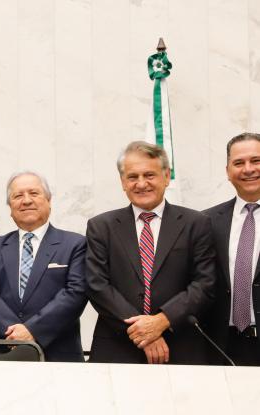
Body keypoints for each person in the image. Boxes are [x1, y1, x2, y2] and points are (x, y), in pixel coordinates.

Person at [86, 141, 216, 364]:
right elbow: (96, 284)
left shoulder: (196, 223)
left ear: (166, 177)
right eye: (132, 177)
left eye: (149, 175)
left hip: (181, 345)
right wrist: (144, 332)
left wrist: (162, 320)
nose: (141, 183)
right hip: (117, 347)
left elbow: (205, 283)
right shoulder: (101, 226)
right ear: (123, 182)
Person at [0, 172, 87, 361]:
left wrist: (32, 330)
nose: (26, 201)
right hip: (3, 352)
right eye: (17, 196)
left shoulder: (75, 244)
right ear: (10, 207)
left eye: (34, 193)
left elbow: (75, 293)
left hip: (59, 355)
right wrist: (16, 334)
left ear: (49, 201)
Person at [204, 132, 260, 365]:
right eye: (238, 163)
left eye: (256, 161)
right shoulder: (205, 221)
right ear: (228, 171)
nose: (248, 169)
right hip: (219, 345)